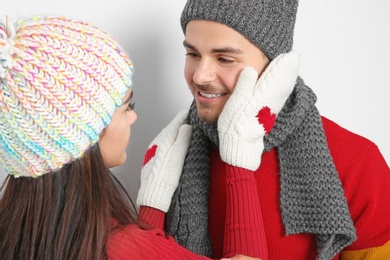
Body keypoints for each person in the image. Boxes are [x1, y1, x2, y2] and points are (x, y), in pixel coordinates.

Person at [136, 1, 390, 260]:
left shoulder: (356, 160)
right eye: (193, 54)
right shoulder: (168, 153)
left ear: (277, 67)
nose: (200, 76)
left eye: (225, 58)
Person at [0, 13, 262, 260]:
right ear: (89, 131)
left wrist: (152, 206)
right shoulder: (120, 244)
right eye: (127, 107)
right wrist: (239, 161)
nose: (133, 117)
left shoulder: (13, 229)